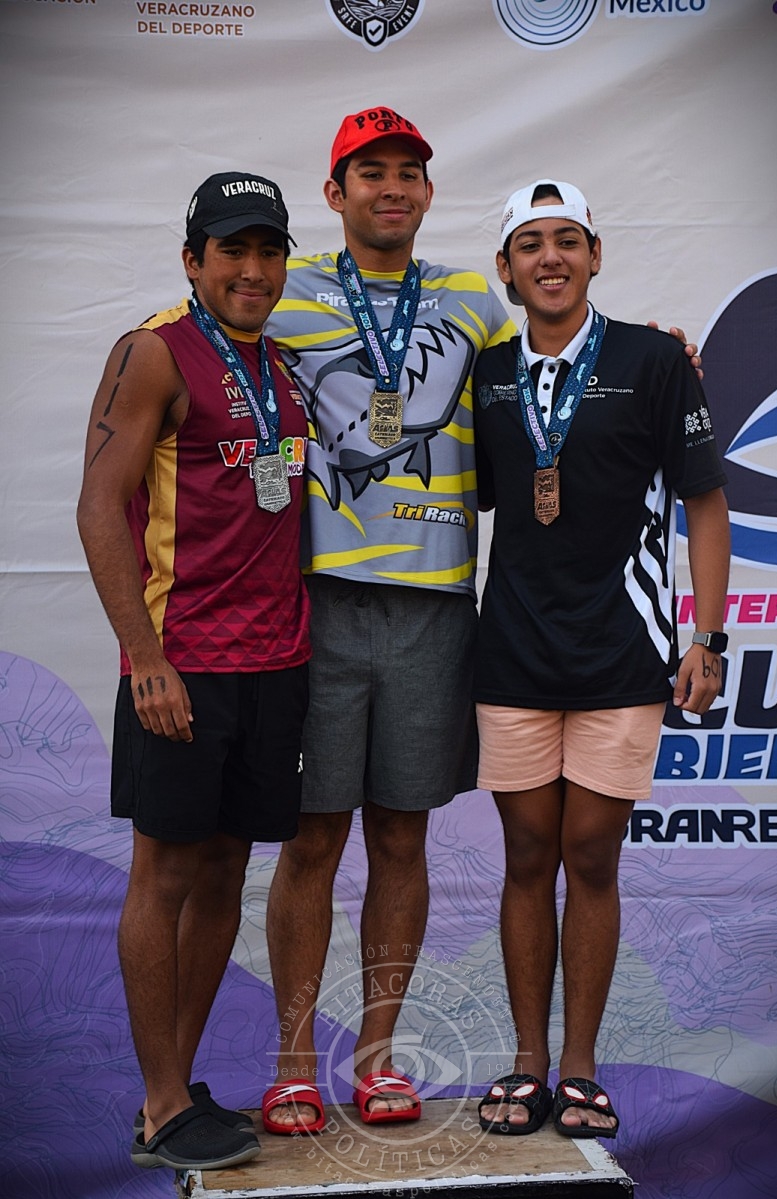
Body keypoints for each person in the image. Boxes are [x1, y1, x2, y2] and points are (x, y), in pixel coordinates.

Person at [260, 105, 518, 1133]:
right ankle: (291, 1064)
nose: (393, 187)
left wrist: (661, 353)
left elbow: (544, 389)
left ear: (427, 191)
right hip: (317, 594)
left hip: (434, 598)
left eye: (409, 171)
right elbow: (188, 355)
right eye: (371, 172)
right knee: (313, 837)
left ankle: (378, 1058)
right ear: (335, 193)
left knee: (402, 835)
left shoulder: (473, 299)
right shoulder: (283, 290)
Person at [473, 180, 730, 1140]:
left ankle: (579, 1065)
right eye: (530, 243)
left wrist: (708, 635)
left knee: (590, 852)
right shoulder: (485, 374)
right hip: (512, 651)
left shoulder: (654, 360)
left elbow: (705, 502)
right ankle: (526, 1062)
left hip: (625, 651)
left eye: (568, 240)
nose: (551, 257)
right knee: (525, 854)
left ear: (594, 255)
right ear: (506, 268)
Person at [76, 173, 310, 1170]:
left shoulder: (282, 361)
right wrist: (145, 659)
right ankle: (165, 1100)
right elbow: (98, 505)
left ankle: (165, 1091)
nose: (252, 270)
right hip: (183, 663)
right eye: (231, 250)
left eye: (268, 251)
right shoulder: (154, 352)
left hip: (276, 660)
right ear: (192, 259)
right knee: (164, 871)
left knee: (223, 871)